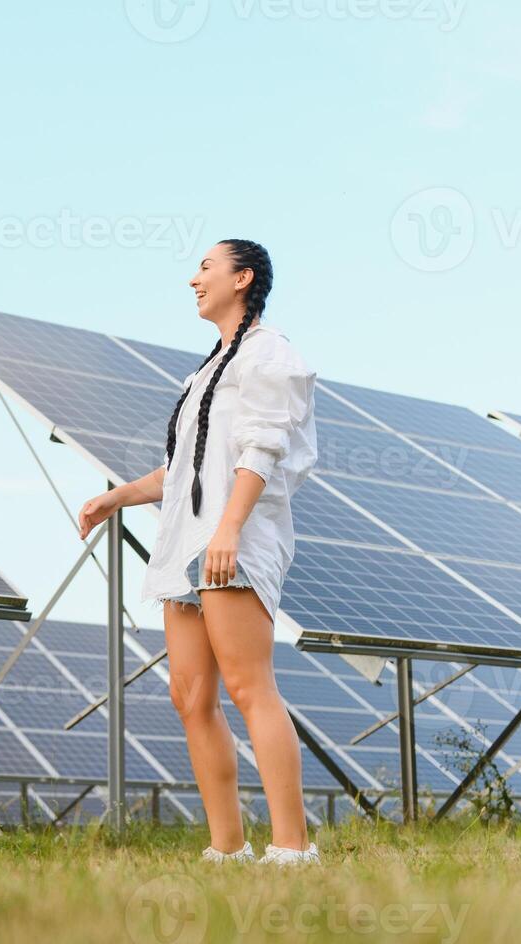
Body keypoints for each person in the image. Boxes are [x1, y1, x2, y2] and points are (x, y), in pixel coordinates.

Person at [77, 240, 320, 866]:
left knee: (248, 685)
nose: (193, 279)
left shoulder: (269, 353)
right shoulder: (205, 371)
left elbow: (261, 451)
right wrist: (119, 497)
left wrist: (230, 529)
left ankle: (292, 848)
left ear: (243, 279)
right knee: (190, 696)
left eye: (206, 268)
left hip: (232, 539)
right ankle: (227, 847)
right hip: (187, 543)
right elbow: (182, 470)